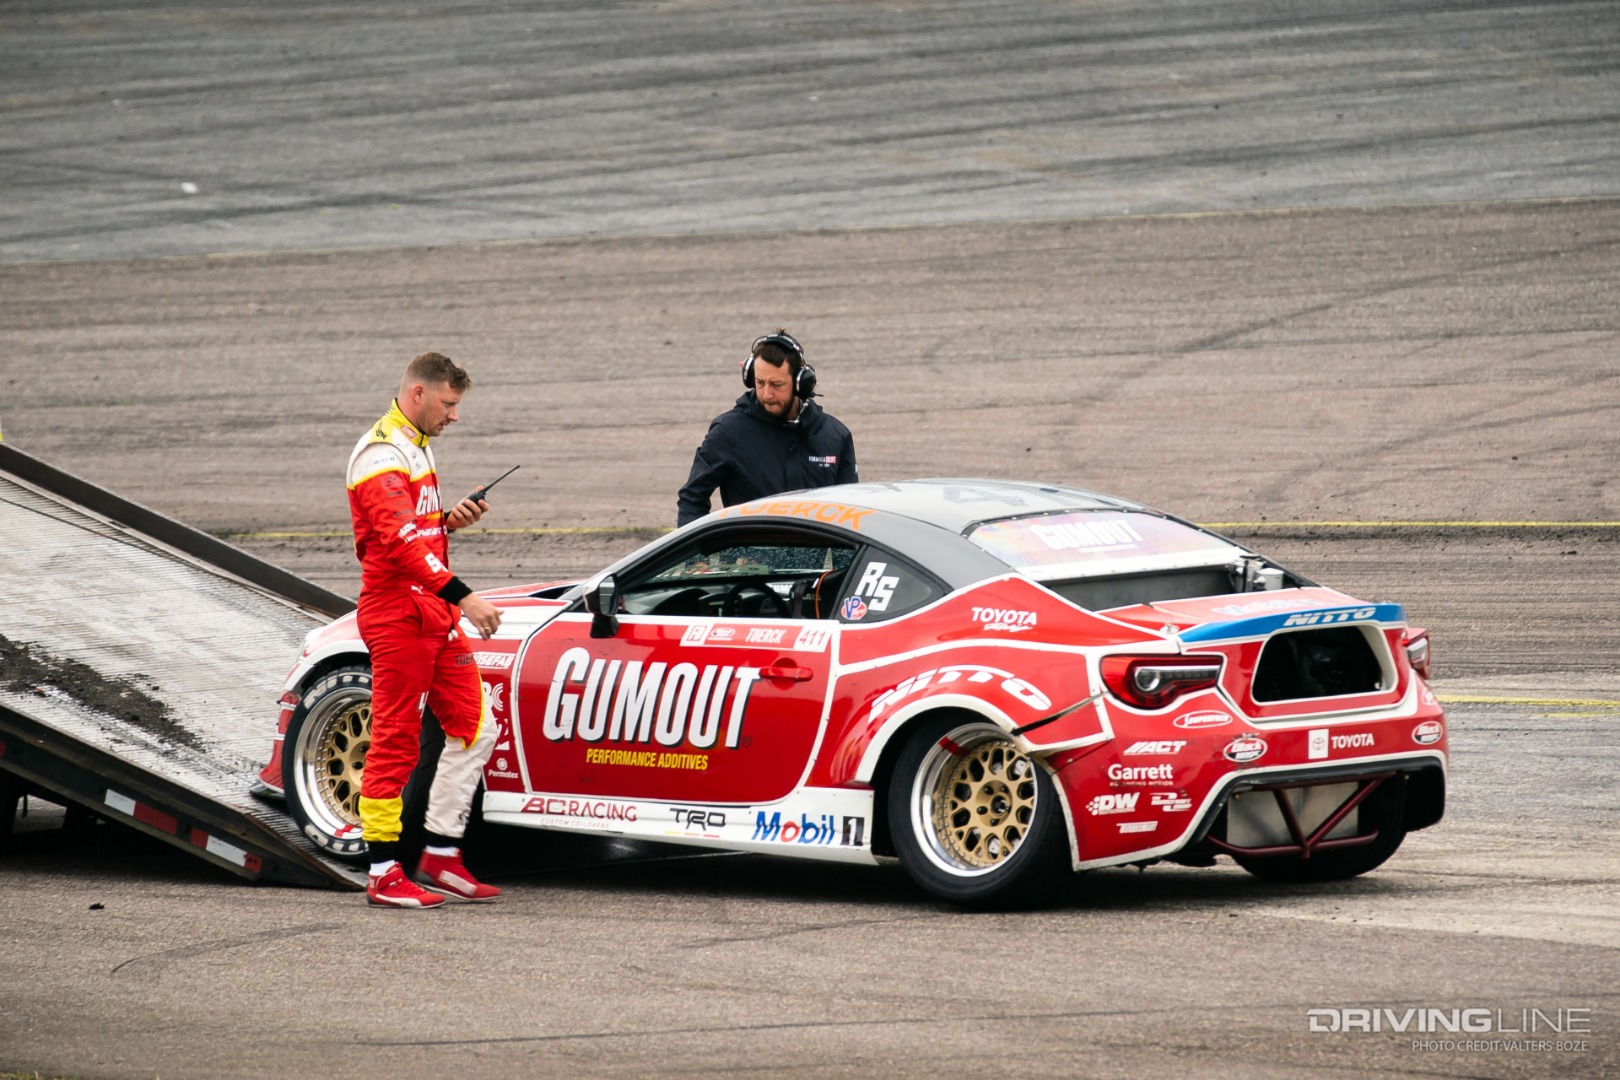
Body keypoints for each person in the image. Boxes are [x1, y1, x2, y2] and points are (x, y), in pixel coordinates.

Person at [347, 351, 504, 909]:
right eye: (449, 404)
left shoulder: (413, 445)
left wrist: (446, 519)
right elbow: (397, 542)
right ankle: (383, 871)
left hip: (432, 613)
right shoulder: (381, 453)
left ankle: (439, 854)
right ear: (418, 394)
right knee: (395, 740)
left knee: (476, 727)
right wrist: (466, 596)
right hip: (398, 616)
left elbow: (414, 527)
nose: (454, 416)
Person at [676, 330, 858, 526]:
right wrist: (698, 555)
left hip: (813, 556)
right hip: (751, 556)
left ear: (800, 384)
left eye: (777, 384)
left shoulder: (835, 437)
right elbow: (692, 499)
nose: (767, 394)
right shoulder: (729, 432)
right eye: (760, 382)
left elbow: (851, 511)